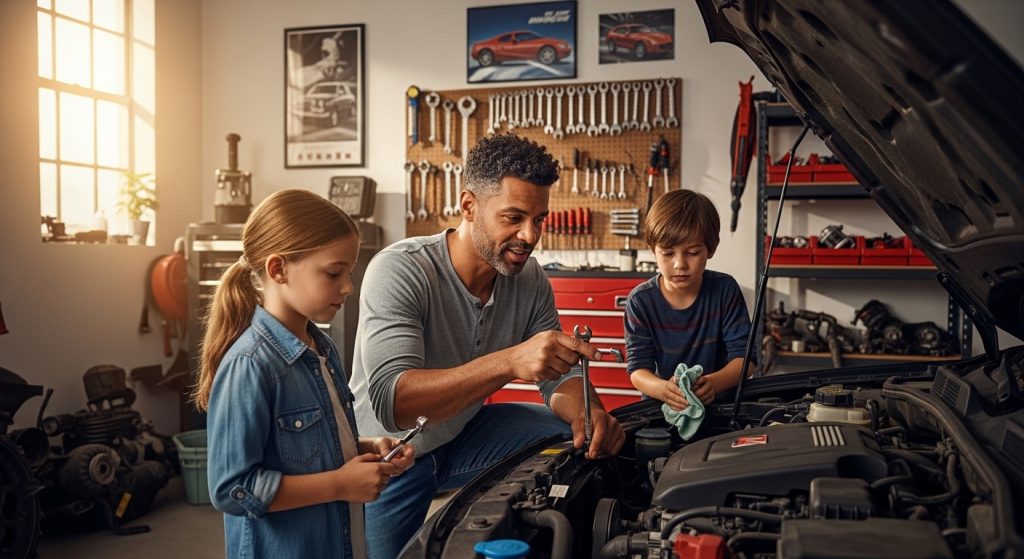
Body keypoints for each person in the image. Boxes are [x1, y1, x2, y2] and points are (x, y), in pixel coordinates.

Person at [349, 134, 626, 559]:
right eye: (513, 217)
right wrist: (510, 361)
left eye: (539, 219)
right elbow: (394, 403)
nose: (529, 235)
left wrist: (588, 413)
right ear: (468, 206)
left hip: (463, 433)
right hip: (392, 453)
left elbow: (563, 375)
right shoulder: (401, 270)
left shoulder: (529, 279)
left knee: (567, 437)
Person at [193, 189, 414, 559]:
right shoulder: (250, 364)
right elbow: (233, 489)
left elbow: (304, 448)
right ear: (278, 269)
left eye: (349, 272)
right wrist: (339, 484)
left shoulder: (321, 349)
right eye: (333, 273)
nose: (347, 287)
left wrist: (366, 448)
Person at [625, 189, 753, 411]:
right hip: (663, 409)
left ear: (711, 249)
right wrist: (664, 390)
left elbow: (746, 359)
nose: (679, 264)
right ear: (652, 250)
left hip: (720, 407)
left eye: (692, 253)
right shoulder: (640, 301)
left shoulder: (725, 290)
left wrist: (713, 384)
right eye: (667, 253)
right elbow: (638, 370)